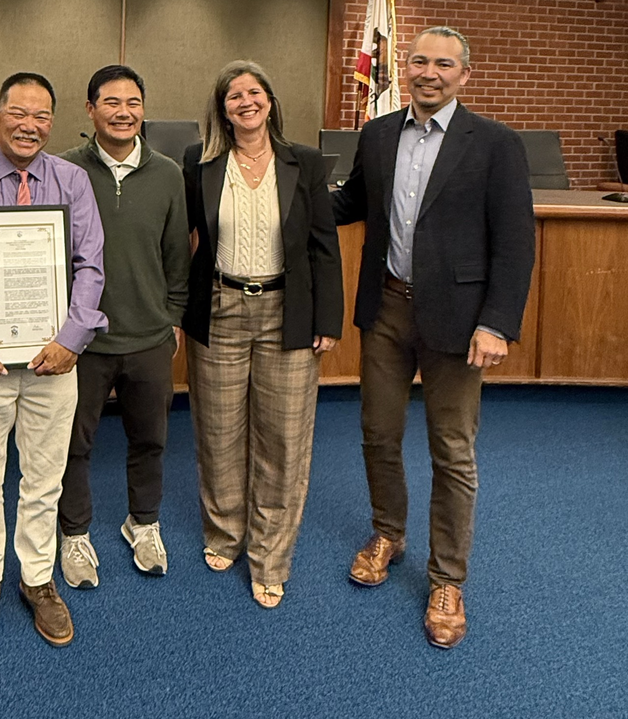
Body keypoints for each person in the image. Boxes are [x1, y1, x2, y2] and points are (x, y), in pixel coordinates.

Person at [333, 26, 535, 648]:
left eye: (443, 64)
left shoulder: (495, 144)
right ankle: (387, 533)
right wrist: (277, 187)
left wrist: (497, 322)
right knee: (378, 432)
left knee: (453, 450)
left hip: (459, 321)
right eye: (418, 60)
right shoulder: (378, 133)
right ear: (406, 68)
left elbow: (515, 241)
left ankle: (447, 577)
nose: (428, 71)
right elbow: (348, 205)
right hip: (388, 309)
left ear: (463, 75)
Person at [0, 72, 106, 648]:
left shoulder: (72, 181)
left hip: (54, 361)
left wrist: (72, 338)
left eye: (41, 116)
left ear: (51, 123)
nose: (29, 125)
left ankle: (36, 579)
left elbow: (90, 267)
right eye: (18, 113)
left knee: (44, 477)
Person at [183, 61, 343, 609]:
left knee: (283, 440)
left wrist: (327, 320)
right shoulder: (201, 163)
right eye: (233, 96)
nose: (245, 102)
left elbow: (324, 244)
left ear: (270, 102)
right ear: (221, 109)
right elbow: (183, 238)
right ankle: (225, 532)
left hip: (287, 312)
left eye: (254, 93)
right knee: (219, 431)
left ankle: (270, 557)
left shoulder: (306, 163)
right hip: (219, 309)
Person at [55, 65, 189, 588]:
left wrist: (172, 317)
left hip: (150, 337)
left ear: (143, 108)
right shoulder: (64, 171)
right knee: (74, 444)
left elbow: (178, 256)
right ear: (90, 111)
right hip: (83, 341)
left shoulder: (169, 174)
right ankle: (75, 533)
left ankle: (144, 523)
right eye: (111, 102)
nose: (123, 112)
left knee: (150, 439)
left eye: (133, 102)